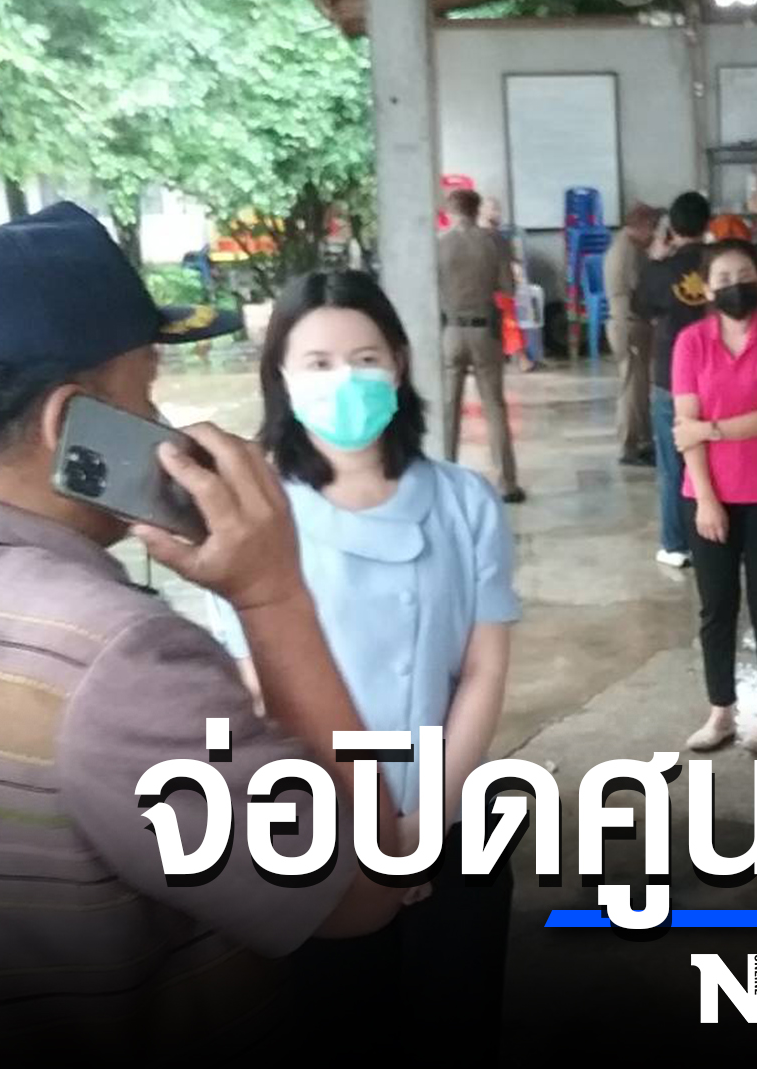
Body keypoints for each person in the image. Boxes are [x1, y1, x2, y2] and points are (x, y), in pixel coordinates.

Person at [0, 203, 419, 1065]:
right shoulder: (115, 657)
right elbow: (361, 890)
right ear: (74, 428)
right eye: (145, 393)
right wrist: (273, 595)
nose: (162, 421)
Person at [200, 268, 519, 1026]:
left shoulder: (464, 500)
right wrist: (360, 841)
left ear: (399, 365)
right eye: (318, 363)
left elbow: (483, 670)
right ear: (282, 379)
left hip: (449, 819)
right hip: (315, 833)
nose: (345, 379)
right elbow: (254, 694)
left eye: (365, 359)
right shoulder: (254, 517)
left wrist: (419, 831)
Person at [672, 240, 757, 754]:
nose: (735, 286)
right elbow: (684, 429)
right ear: (707, 289)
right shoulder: (691, 343)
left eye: (744, 274)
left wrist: (711, 429)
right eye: (723, 278)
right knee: (717, 607)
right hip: (707, 493)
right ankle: (720, 712)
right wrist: (707, 499)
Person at [636, 191, 714, 569]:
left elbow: (641, 308)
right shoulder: (721, 263)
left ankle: (675, 543)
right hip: (717, 374)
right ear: (708, 223)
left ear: (672, 228)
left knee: (673, 466)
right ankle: (716, 537)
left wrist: (655, 262)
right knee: (718, 458)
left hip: (671, 375)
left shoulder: (661, 270)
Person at [438, 188, 525, 503]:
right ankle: (507, 482)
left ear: (450, 211)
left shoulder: (439, 244)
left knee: (449, 407)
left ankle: (444, 478)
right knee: (494, 407)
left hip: (451, 331)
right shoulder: (493, 242)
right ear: (477, 210)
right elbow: (508, 288)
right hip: (484, 331)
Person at [606, 202, 660, 465]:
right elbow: (640, 290)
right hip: (629, 324)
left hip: (631, 323)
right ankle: (629, 446)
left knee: (639, 388)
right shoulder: (627, 251)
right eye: (651, 227)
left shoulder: (630, 246)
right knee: (631, 389)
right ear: (640, 225)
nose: (654, 234)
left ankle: (644, 440)